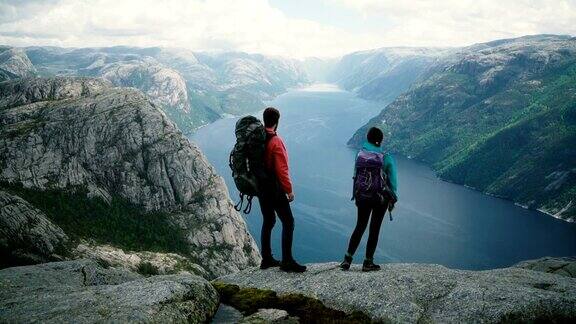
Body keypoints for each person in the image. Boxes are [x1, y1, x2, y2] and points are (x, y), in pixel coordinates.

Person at [340, 127, 398, 272]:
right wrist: (393, 197)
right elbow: (393, 182)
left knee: (360, 226)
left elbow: (355, 174)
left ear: (368, 138)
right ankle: (368, 262)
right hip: (380, 198)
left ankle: (347, 259)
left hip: (362, 195)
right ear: (380, 140)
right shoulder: (385, 157)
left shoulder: (360, 154)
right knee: (374, 228)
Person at [258, 107, 306, 273]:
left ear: (264, 120)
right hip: (274, 188)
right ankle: (287, 260)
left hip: (261, 188)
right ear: (277, 122)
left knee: (269, 220)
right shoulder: (276, 141)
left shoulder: (259, 138)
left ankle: (266, 259)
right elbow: (282, 169)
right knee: (288, 222)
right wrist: (289, 190)